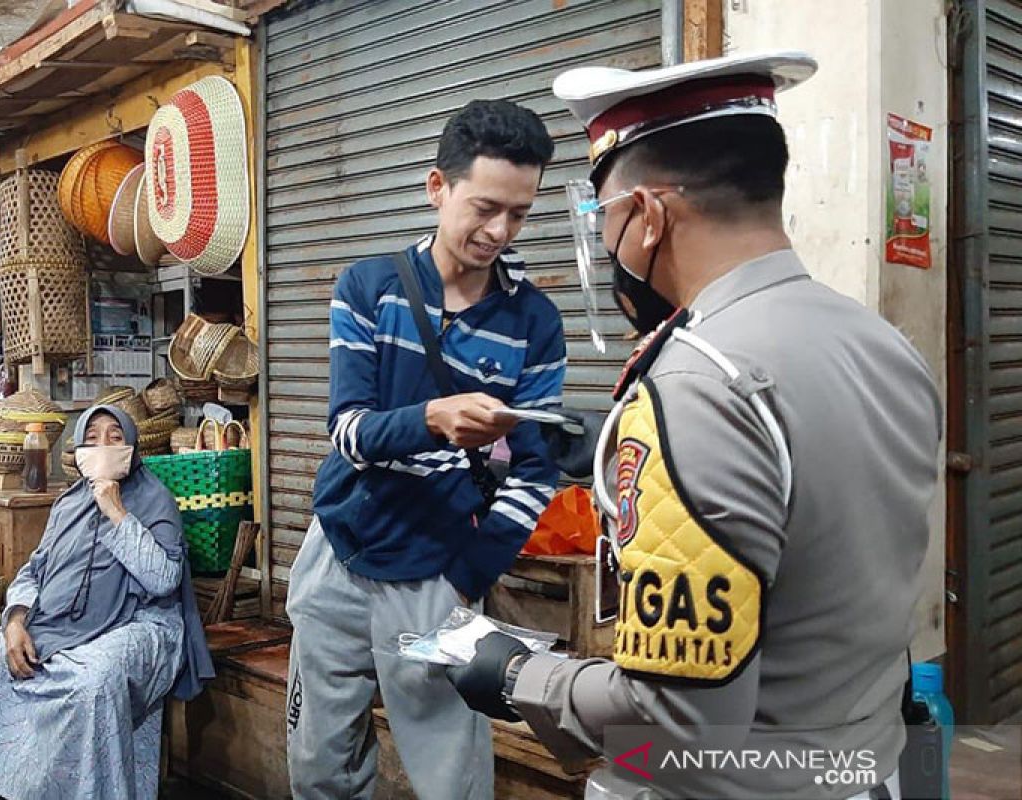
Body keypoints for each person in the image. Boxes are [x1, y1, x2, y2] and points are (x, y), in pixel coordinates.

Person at [446, 51, 943, 800]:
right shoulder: (883, 344)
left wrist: (520, 676)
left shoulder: (695, 384)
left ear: (648, 215)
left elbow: (680, 719)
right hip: (860, 765)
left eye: (606, 217)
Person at [286, 99, 566, 799]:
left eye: (520, 213)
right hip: (337, 567)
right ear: (437, 187)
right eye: (484, 207)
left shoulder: (534, 322)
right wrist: (433, 419)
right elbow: (348, 430)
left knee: (451, 776)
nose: (499, 230)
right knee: (320, 766)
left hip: (432, 587)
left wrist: (467, 574)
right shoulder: (369, 288)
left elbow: (536, 471)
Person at [0, 405, 214, 800]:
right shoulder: (68, 503)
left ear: (131, 445)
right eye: (92, 438)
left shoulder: (154, 499)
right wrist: (15, 621)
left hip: (141, 622)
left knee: (89, 688)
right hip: (56, 621)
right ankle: (11, 785)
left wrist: (116, 511)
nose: (103, 445)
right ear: (78, 450)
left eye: (115, 436)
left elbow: (163, 580)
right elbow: (34, 570)